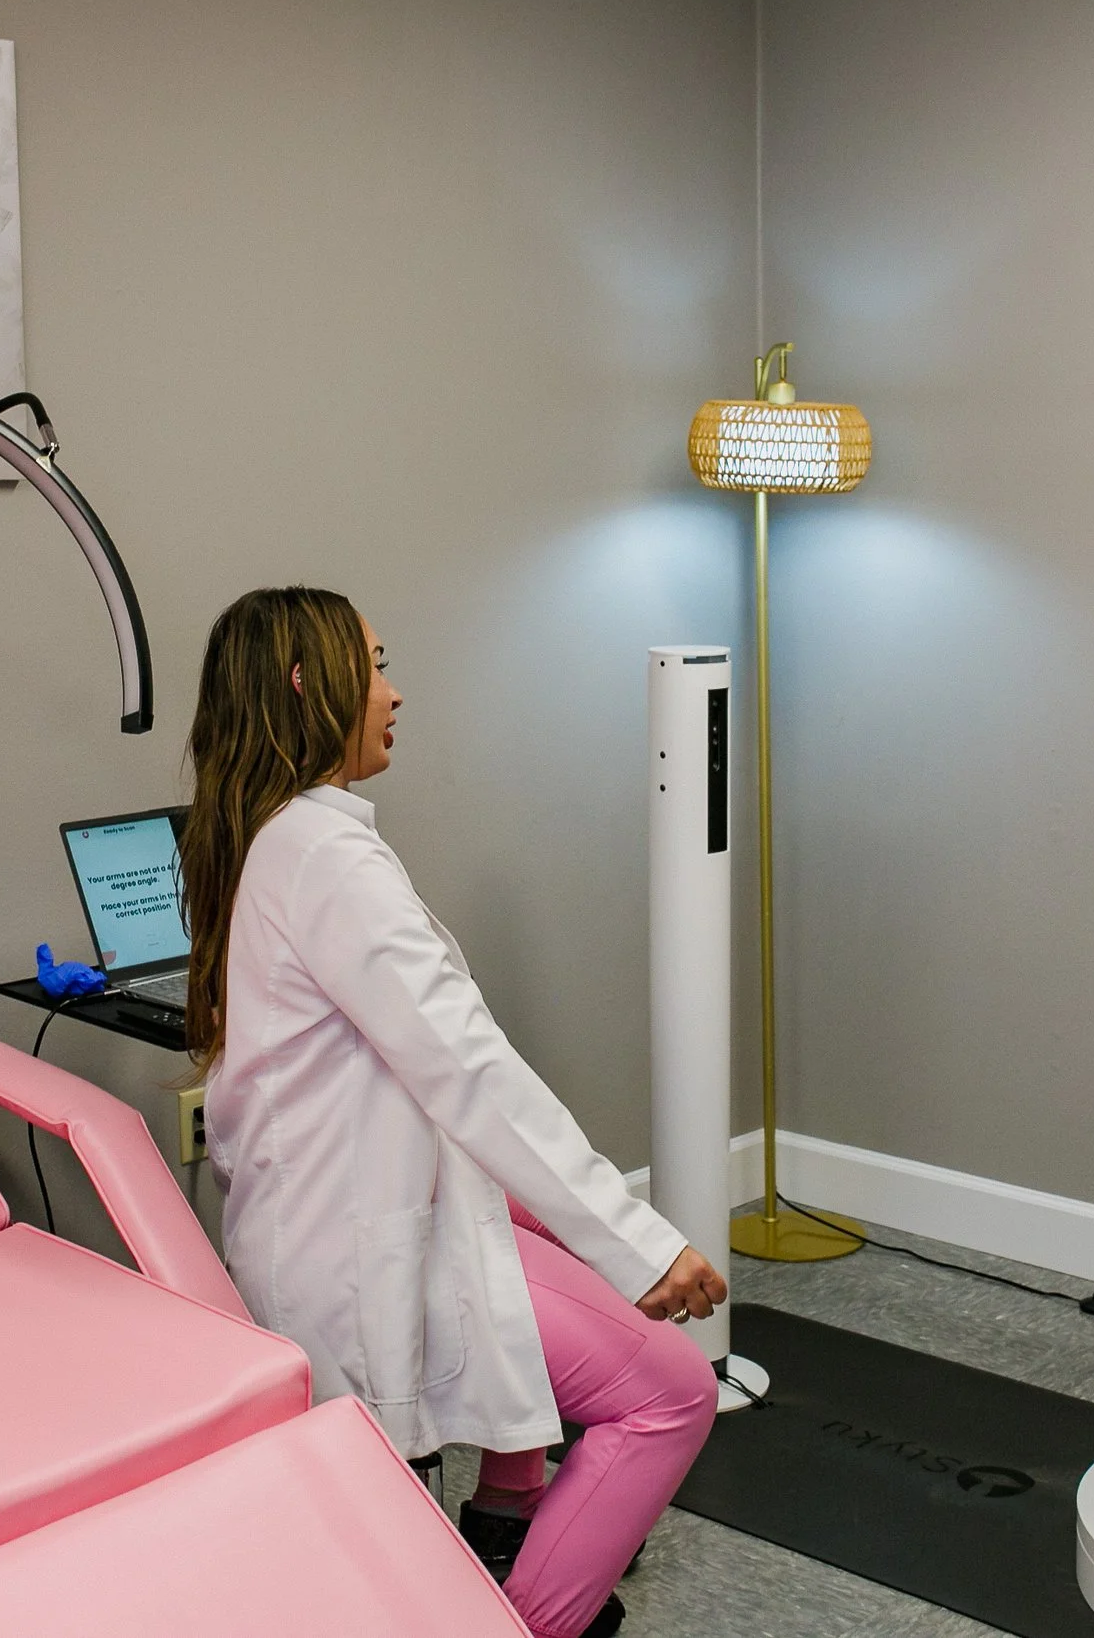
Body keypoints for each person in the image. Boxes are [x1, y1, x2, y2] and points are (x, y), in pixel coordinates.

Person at [179, 586, 726, 1638]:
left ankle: (505, 1516)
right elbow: (468, 1067)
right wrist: (641, 1242)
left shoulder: (275, 834)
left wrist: (589, 1222)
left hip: (348, 1203)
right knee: (671, 1390)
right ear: (309, 684)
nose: (394, 691)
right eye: (374, 665)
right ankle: (526, 1617)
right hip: (357, 1244)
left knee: (528, 1219)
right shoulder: (329, 859)